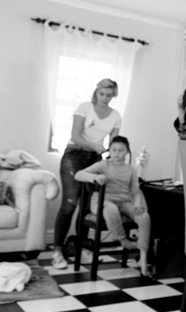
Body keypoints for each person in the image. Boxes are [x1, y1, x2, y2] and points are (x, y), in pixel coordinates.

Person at [51, 78, 122, 270]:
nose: (105, 98)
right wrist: (96, 146)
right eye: (102, 94)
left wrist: (115, 157)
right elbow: (75, 135)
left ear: (113, 95)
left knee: (87, 207)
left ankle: (81, 249)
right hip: (74, 155)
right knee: (70, 204)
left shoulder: (116, 116)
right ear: (96, 92)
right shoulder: (84, 108)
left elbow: (114, 144)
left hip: (95, 159)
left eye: (109, 95)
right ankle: (57, 251)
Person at [74, 136, 152, 276]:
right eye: (114, 150)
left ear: (127, 152)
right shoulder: (104, 165)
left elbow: (135, 192)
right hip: (102, 201)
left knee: (144, 217)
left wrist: (137, 204)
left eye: (121, 150)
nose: (117, 153)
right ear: (109, 150)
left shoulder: (131, 170)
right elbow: (79, 174)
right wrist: (94, 178)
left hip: (124, 202)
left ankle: (143, 260)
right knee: (111, 209)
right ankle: (123, 241)